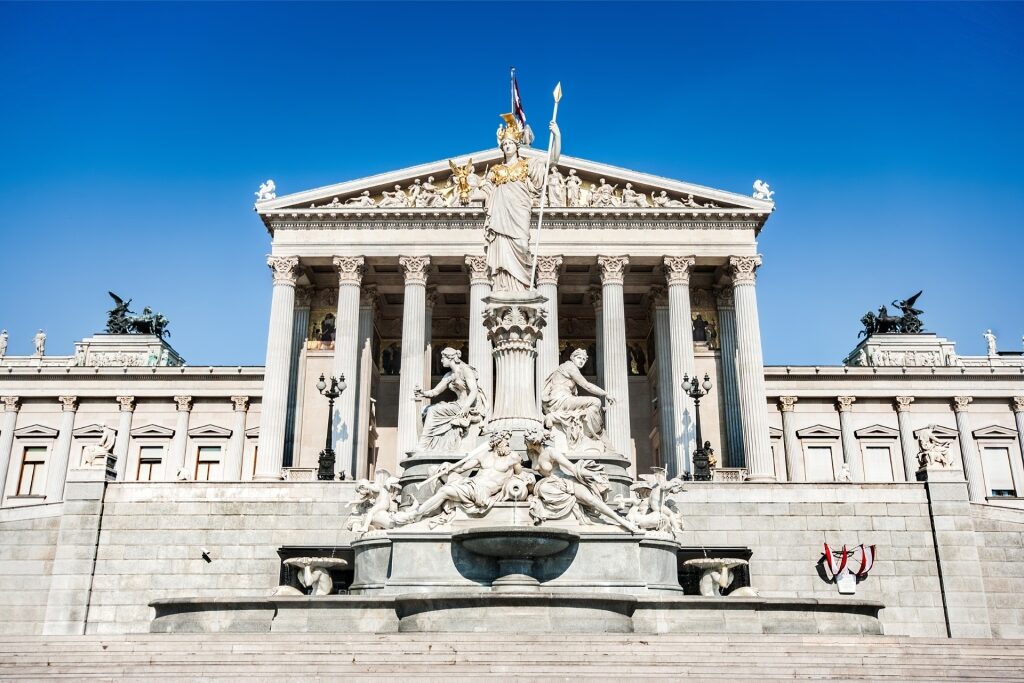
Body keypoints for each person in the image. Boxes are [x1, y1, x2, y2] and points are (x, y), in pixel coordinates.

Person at [473, 114, 561, 291]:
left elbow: (552, 159)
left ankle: (521, 287)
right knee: (501, 252)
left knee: (522, 245)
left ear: (517, 146)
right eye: (504, 144)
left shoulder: (527, 165)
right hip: (500, 217)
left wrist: (557, 136)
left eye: (510, 143)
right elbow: (486, 190)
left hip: (519, 214)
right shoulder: (496, 170)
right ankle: (503, 287)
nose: (507, 146)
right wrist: (470, 194)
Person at [413, 347, 488, 452]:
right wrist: (422, 393)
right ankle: (428, 445)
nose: (441, 360)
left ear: (450, 358)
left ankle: (423, 445)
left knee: (433, 410)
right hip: (457, 405)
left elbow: (474, 390)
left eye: (443, 358)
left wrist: (466, 407)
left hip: (466, 406)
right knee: (425, 409)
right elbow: (435, 392)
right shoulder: (449, 375)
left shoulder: (465, 370)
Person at [542, 348, 613, 446]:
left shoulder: (566, 367)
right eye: (579, 357)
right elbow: (586, 385)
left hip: (562, 400)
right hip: (560, 400)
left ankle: (590, 433)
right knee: (595, 402)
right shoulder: (569, 366)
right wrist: (605, 394)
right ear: (572, 358)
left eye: (584, 359)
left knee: (591, 408)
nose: (581, 361)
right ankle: (590, 435)